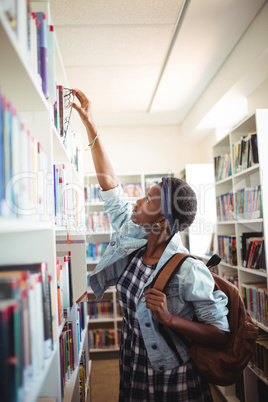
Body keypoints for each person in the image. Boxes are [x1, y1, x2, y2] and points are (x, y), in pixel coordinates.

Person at [72, 89, 230, 402]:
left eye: (147, 199)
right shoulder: (134, 238)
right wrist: (91, 126)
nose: (137, 200)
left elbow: (221, 332)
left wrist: (172, 319)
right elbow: (112, 188)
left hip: (173, 379)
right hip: (132, 368)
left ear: (160, 223)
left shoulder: (189, 270)